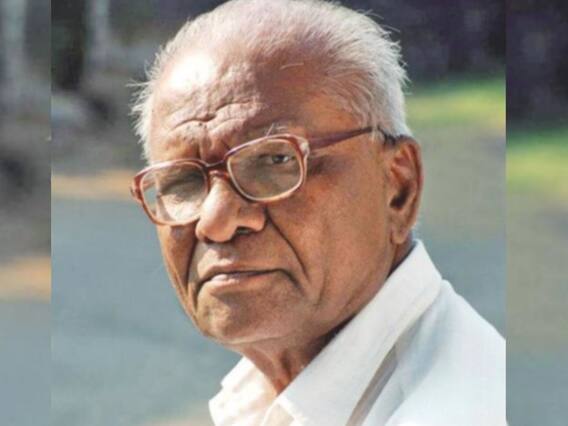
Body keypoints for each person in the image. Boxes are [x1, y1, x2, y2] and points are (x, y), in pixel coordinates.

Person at [130, 0, 505, 424]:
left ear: (398, 188)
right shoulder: (268, 402)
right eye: (182, 181)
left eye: (275, 161)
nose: (216, 222)